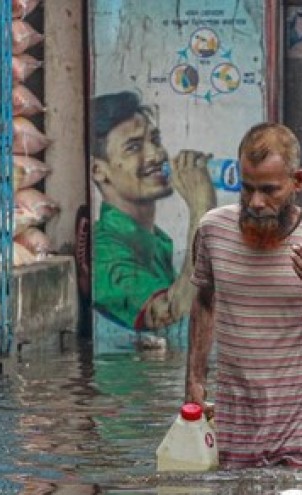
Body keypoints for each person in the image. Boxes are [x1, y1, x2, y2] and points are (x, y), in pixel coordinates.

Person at [185, 123, 302, 469]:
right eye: (247, 188)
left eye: (269, 190)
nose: (256, 202)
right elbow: (205, 301)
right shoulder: (213, 231)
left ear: (298, 182)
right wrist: (195, 380)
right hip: (238, 418)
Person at [90, 90, 216, 333]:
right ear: (98, 170)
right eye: (134, 147)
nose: (157, 155)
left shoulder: (155, 241)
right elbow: (175, 317)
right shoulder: (105, 254)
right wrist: (202, 209)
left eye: (155, 141)